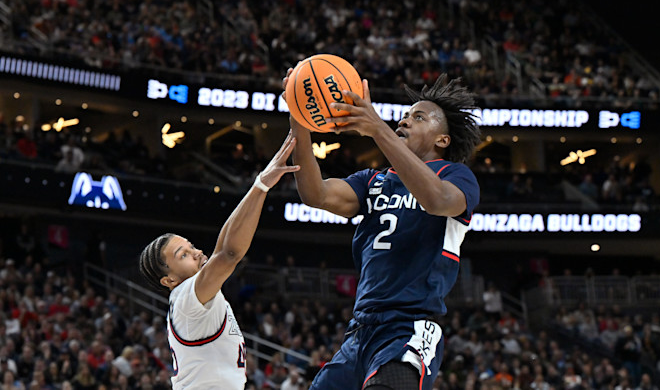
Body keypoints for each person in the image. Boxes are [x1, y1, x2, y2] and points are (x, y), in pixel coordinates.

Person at [284, 71, 481, 390]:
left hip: (408, 328)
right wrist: (299, 117)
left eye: (418, 117)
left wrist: (378, 129)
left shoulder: (456, 175)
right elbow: (315, 193)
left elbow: (437, 200)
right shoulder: (373, 181)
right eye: (404, 116)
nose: (404, 121)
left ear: (442, 140)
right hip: (359, 332)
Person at [138, 133, 299, 390]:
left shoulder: (193, 294)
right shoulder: (187, 298)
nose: (195, 252)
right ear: (169, 280)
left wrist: (260, 183)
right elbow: (229, 255)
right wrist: (261, 186)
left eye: (191, 246)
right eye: (183, 255)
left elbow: (221, 248)